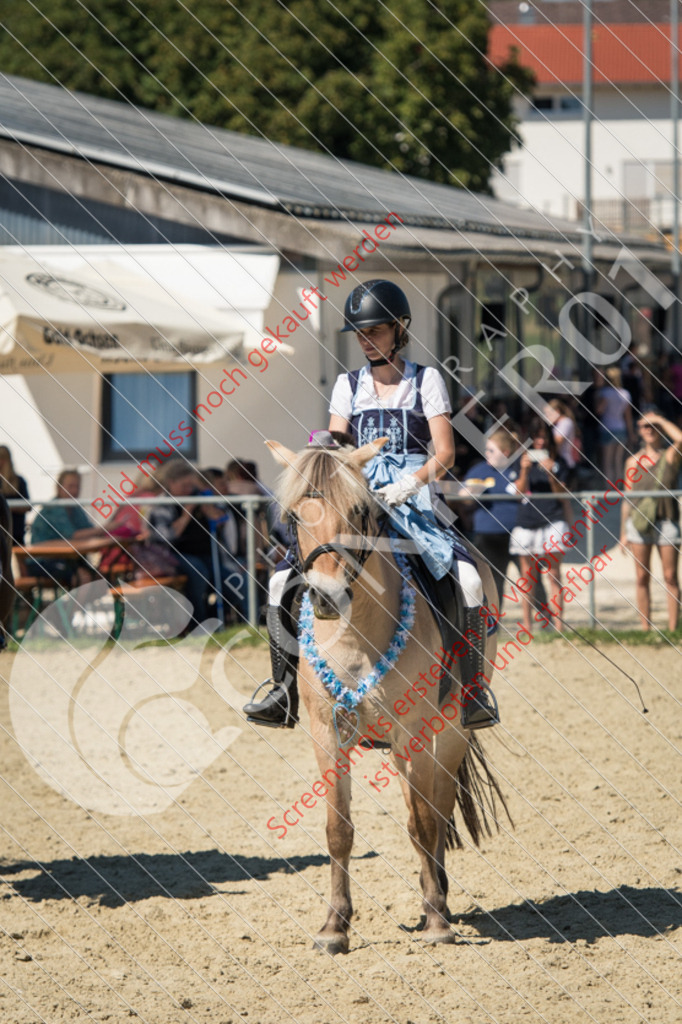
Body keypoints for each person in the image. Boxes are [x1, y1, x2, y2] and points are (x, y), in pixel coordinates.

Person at [244, 279, 499, 731]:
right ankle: (282, 689)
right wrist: (321, 456)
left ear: (399, 329)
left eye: (375, 331)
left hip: (415, 497)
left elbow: (446, 453)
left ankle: (473, 688)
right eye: (361, 334)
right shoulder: (348, 384)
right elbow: (337, 445)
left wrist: (407, 485)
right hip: (357, 494)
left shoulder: (426, 380)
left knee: (469, 578)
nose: (366, 341)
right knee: (283, 576)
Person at [147, 459, 241, 627]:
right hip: (175, 555)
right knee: (199, 574)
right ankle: (197, 625)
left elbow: (221, 520)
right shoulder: (162, 504)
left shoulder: (199, 496)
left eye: (191, 485)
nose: (189, 490)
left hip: (207, 553)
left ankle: (212, 617)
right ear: (171, 483)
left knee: (234, 583)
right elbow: (167, 536)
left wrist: (208, 508)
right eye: (184, 486)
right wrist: (186, 514)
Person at [621, 412, 682, 632]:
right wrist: (623, 533)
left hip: (666, 520)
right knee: (641, 577)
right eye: (644, 426)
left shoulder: (670, 456)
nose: (649, 430)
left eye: (652, 426)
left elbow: (681, 439)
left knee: (670, 577)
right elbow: (627, 499)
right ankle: (645, 629)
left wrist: (662, 420)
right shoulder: (632, 461)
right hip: (638, 524)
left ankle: (674, 629)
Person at [509, 419, 571, 634]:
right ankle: (527, 624)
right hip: (526, 521)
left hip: (553, 518)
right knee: (527, 578)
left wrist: (551, 473)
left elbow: (562, 496)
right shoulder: (520, 461)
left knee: (554, 575)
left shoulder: (559, 461)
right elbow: (518, 494)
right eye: (536, 436)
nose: (540, 441)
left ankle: (559, 624)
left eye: (544, 436)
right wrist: (525, 471)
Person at [463, 427, 522, 612]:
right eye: (486, 450)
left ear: (505, 452)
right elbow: (463, 497)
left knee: (529, 579)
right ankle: (494, 623)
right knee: (493, 582)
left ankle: (546, 620)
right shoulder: (478, 470)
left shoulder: (519, 469)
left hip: (519, 533)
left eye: (491, 450)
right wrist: (470, 492)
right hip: (489, 535)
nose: (486, 454)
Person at [27, 469, 105, 587]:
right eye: (70, 486)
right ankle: (75, 606)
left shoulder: (75, 508)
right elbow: (72, 535)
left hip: (67, 558)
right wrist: (104, 529)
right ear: (59, 488)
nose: (74, 491)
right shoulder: (54, 508)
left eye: (77, 487)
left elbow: (89, 529)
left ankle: (80, 604)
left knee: (99, 578)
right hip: (42, 561)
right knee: (82, 577)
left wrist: (106, 530)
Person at [596, 367, 635, 483]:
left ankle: (608, 487)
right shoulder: (625, 394)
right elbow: (628, 417)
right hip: (621, 428)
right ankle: (618, 485)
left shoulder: (605, 393)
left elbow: (599, 410)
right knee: (618, 460)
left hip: (607, 428)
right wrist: (631, 433)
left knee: (607, 461)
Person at [0, 445, 30, 545]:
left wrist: (7, 508)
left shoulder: (19, 481)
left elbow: (27, 506)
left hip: (15, 531)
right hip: (5, 530)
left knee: (20, 556)